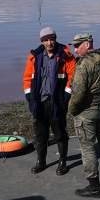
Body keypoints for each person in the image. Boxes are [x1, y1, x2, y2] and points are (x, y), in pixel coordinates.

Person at [67, 32, 100, 198]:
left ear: (87, 44)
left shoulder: (84, 65)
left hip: (86, 113)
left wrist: (72, 110)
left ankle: (94, 186)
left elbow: (78, 93)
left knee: (88, 148)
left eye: (77, 45)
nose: (75, 50)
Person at [22, 27, 75, 176]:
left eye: (51, 39)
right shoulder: (35, 56)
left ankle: (63, 162)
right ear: (42, 42)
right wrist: (29, 96)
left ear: (55, 39)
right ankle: (41, 161)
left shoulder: (65, 55)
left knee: (60, 133)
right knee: (40, 135)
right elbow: (27, 78)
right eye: (46, 40)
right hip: (39, 102)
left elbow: (73, 76)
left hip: (57, 102)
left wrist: (66, 95)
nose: (49, 42)